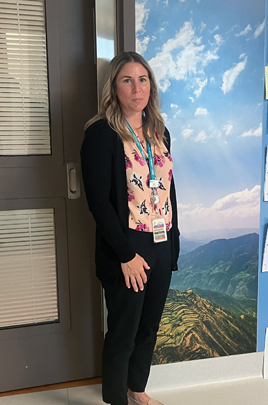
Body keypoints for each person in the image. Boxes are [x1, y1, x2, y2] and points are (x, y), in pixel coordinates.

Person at [80, 51, 180, 405]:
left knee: (149, 327)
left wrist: (173, 245)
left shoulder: (159, 131)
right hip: (126, 247)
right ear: (114, 88)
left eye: (143, 79)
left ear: (151, 86)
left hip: (160, 241)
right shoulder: (101, 133)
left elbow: (167, 187)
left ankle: (136, 391)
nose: (137, 88)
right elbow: (98, 203)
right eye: (127, 80)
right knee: (123, 331)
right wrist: (125, 255)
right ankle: (115, 399)